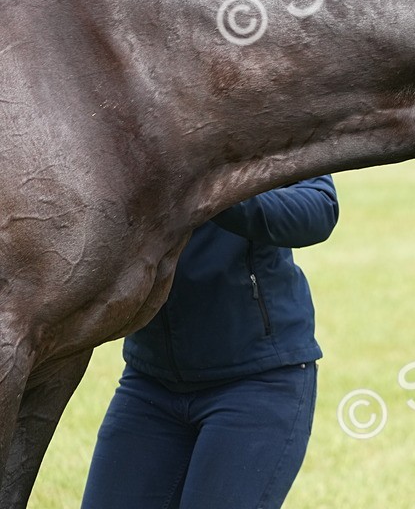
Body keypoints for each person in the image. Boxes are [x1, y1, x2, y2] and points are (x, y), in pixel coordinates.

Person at [82, 176, 338, 509]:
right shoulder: (126, 126)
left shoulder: (256, 122)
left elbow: (318, 208)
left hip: (258, 381)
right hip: (149, 383)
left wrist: (216, 196)